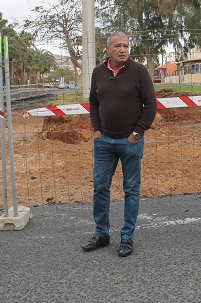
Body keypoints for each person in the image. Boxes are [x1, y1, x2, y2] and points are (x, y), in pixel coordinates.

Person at [81, 32, 157, 257]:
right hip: (104, 142)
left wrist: (137, 133)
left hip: (130, 142)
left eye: (125, 45)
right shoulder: (98, 73)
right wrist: (96, 130)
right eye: (117, 46)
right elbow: (94, 103)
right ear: (107, 49)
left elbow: (151, 105)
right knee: (100, 188)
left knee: (131, 190)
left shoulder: (139, 72)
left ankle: (127, 237)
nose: (122, 50)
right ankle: (101, 234)